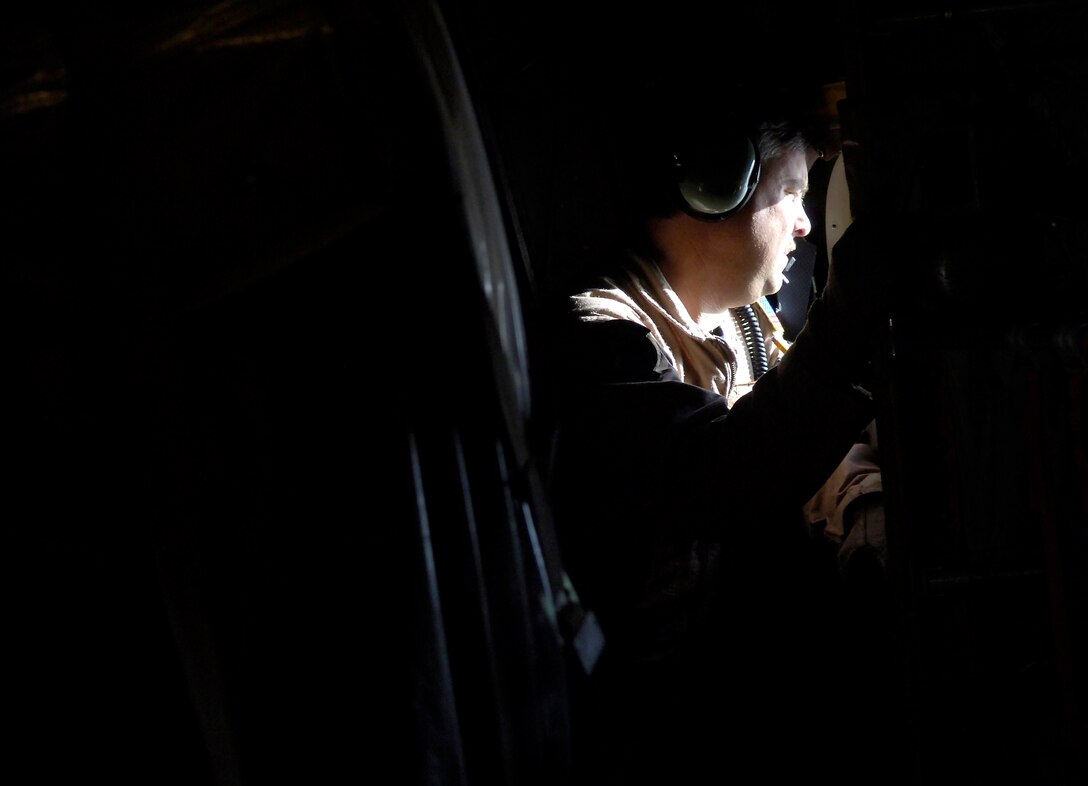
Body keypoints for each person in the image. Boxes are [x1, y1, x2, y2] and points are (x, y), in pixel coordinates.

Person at [540, 69, 906, 784]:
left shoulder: (747, 323)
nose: (805, 222)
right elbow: (719, 476)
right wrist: (849, 322)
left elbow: (807, 449)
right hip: (657, 728)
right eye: (794, 191)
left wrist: (863, 509)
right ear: (716, 183)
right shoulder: (604, 339)